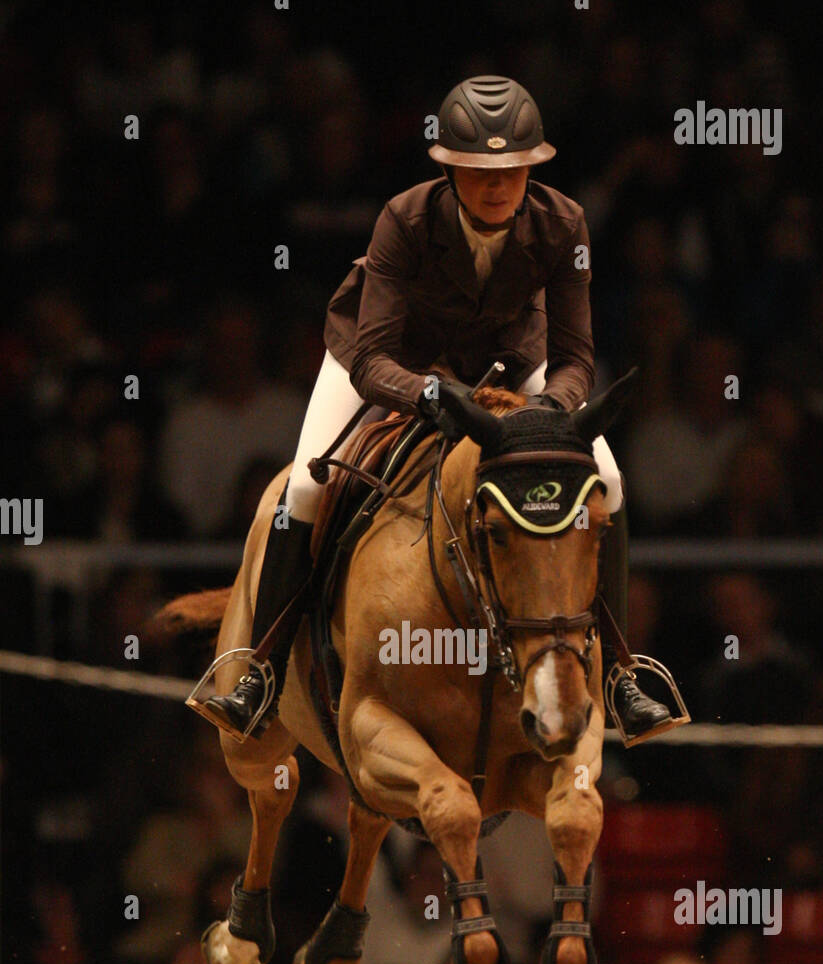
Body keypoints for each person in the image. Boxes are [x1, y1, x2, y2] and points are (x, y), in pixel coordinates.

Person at [202, 75, 676, 745]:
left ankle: (623, 676)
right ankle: (260, 672)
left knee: (613, 481)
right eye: (481, 170)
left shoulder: (563, 222)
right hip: (388, 357)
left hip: (513, 360)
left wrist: (547, 415)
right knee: (308, 484)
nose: (497, 185)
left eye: (512, 169)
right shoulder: (406, 218)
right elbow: (370, 359)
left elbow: (574, 357)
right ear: (451, 168)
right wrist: (427, 394)